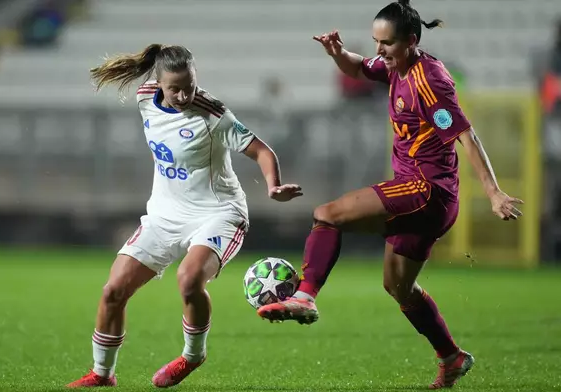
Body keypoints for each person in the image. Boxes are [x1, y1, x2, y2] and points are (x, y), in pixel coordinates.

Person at [257, 0, 524, 389]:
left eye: (387, 43)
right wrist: (337, 53)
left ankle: (305, 295)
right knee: (399, 287)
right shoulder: (398, 64)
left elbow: (466, 135)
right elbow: (359, 66)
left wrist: (494, 193)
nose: (379, 50)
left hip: (426, 190)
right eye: (376, 41)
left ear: (411, 41)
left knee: (327, 214)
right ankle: (452, 358)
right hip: (428, 196)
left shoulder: (429, 80)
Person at [67, 44, 302, 388]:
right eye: (174, 88)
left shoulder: (213, 114)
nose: (182, 95)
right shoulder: (145, 97)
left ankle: (193, 355)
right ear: (158, 83)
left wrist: (273, 186)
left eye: (189, 86)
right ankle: (103, 374)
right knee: (113, 290)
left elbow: (262, 150)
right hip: (164, 216)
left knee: (189, 280)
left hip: (219, 213)